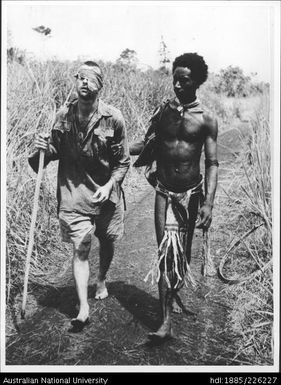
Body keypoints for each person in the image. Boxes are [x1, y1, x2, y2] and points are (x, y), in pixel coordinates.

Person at [29, 61, 130, 332]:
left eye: (91, 78)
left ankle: (101, 279)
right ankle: (83, 306)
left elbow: (123, 162)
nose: (85, 82)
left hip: (105, 194)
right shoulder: (63, 116)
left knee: (106, 241)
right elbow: (45, 158)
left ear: (100, 85)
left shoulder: (113, 118)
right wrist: (40, 149)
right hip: (74, 195)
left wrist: (110, 186)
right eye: (80, 77)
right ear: (76, 81)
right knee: (81, 247)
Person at [130, 53, 218, 342]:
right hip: (164, 191)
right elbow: (146, 143)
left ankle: (174, 294)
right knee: (166, 253)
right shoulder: (162, 112)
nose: (178, 86)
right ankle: (165, 321)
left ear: (197, 82)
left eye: (185, 80)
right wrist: (115, 145)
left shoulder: (206, 118)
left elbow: (212, 163)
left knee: (184, 255)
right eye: (175, 79)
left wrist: (208, 203)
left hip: (191, 194)